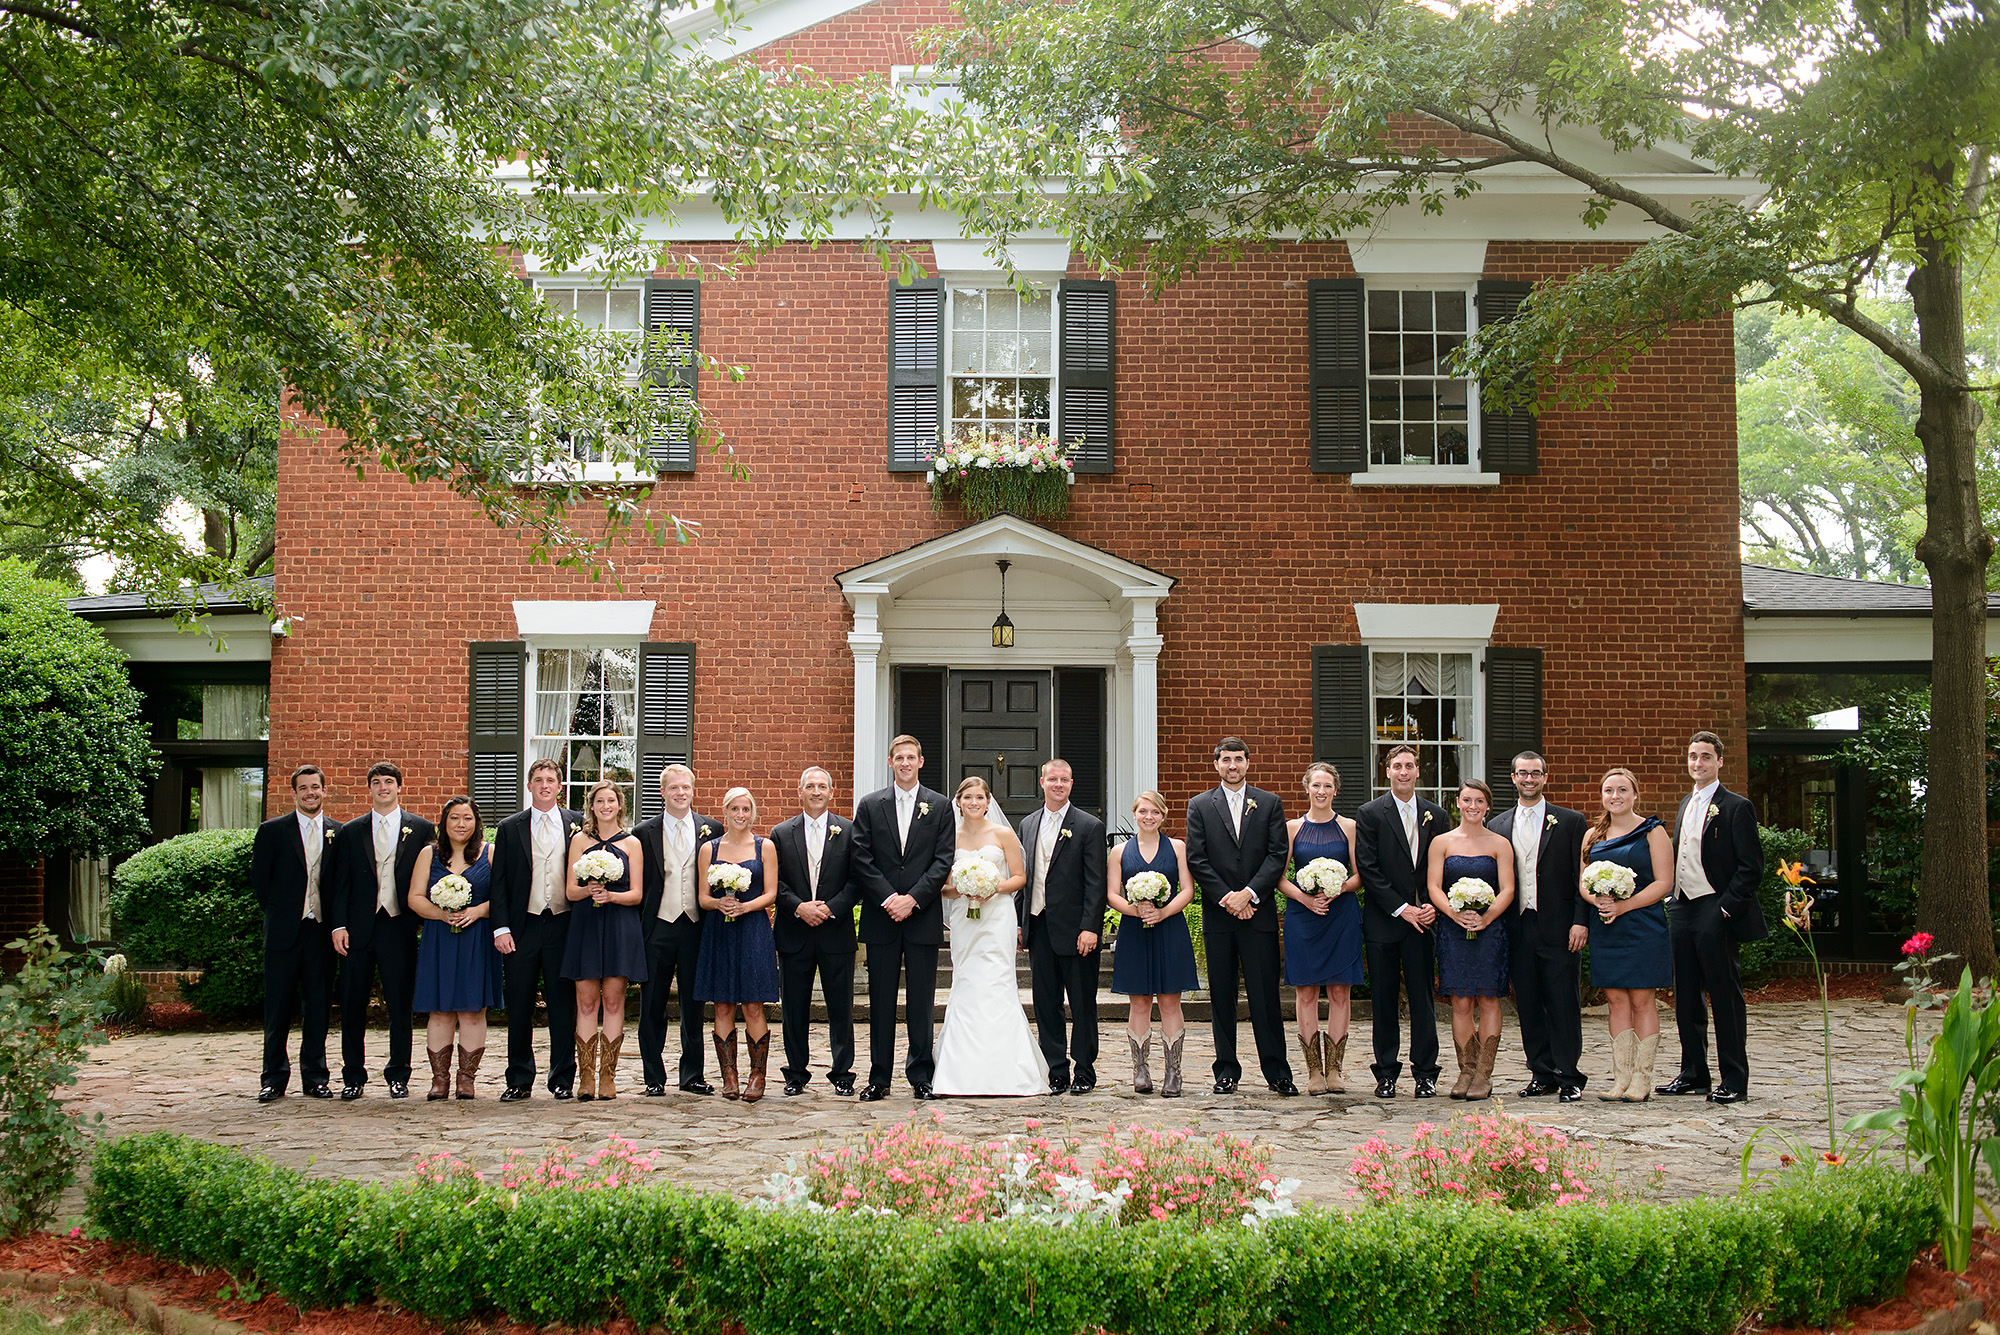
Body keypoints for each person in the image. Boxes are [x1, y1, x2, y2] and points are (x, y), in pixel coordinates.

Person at [1658, 731, 1767, 1104]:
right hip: (1682, 907)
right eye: (1692, 756)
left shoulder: (1736, 806)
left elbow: (1751, 868)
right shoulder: (1686, 803)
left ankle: (1734, 1079)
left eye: (1705, 756)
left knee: (1724, 997)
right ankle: (1694, 1074)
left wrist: (1724, 907)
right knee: (1686, 996)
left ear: (1720, 761)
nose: (1698, 763)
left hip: (1714, 908)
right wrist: (1673, 899)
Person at [1186, 736, 1298, 1097]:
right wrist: (1227, 898)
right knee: (1222, 995)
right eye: (1226, 759)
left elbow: (1277, 854)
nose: (1232, 765)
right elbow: (1197, 858)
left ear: (1248, 763)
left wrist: (1249, 894)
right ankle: (1226, 1071)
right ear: (1216, 764)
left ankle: (1277, 1072)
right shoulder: (1200, 805)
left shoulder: (1268, 803)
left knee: (1266, 996)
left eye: (1239, 759)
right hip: (1220, 918)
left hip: (1257, 915)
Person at [850, 735, 955, 1101]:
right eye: (900, 758)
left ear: (921, 762)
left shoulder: (940, 807)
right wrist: (889, 898)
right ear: (890, 762)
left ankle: (921, 1075)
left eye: (912, 757)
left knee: (921, 1001)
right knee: (880, 1001)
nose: (906, 763)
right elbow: (861, 857)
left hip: (922, 916)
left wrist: (913, 899)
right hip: (882, 918)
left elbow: (944, 860)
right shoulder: (869, 804)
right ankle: (879, 1077)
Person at [933, 776, 1045, 1096]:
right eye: (967, 797)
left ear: (988, 801)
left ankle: (1009, 1069)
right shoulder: (948, 837)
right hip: (964, 918)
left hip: (997, 918)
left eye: (979, 797)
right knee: (967, 981)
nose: (973, 803)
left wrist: (990, 887)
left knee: (997, 981)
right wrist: (965, 889)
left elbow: (1020, 878)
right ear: (958, 801)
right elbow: (940, 886)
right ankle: (960, 1070)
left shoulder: (1003, 833)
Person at [1488, 751, 1591, 1101]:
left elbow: (1582, 876)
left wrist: (1580, 920)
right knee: (1528, 1003)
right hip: (1517, 927)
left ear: (1545, 777)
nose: (1529, 779)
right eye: (1522, 774)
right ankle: (1541, 1073)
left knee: (1563, 1002)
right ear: (1513, 778)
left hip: (1560, 926)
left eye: (1535, 773)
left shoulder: (1571, 821)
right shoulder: (1498, 826)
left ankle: (1570, 1075)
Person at [329, 762, 434, 1100]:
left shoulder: (421, 829)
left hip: (399, 925)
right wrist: (339, 925)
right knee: (352, 1002)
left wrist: (423, 919)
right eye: (376, 782)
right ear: (369, 789)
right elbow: (339, 883)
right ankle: (353, 1076)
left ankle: (398, 1074)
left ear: (399, 787)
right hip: (358, 928)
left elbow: (432, 878)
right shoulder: (351, 831)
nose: (383, 787)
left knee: (400, 1003)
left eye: (389, 782)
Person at [1355, 745, 1446, 1099]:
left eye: (1409, 765)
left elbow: (1443, 865)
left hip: (1424, 920)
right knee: (1384, 1000)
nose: (1404, 771)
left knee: (1423, 1000)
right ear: (1387, 771)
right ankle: (1386, 1073)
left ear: (1417, 771)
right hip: (1384, 922)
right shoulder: (1371, 813)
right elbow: (1369, 868)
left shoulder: (1436, 815)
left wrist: (1429, 905)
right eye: (1397, 766)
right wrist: (1401, 907)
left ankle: (1426, 1073)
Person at [488, 759, 583, 1101]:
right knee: (519, 1005)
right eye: (538, 780)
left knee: (563, 1006)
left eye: (551, 780)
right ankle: (519, 1078)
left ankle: (561, 1079)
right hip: (522, 925)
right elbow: (498, 884)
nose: (545, 785)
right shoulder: (510, 827)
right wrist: (500, 928)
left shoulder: (577, 824)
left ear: (560, 787)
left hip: (563, 924)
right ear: (529, 786)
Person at [251, 765, 343, 1102]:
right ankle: (273, 1078)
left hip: (320, 933)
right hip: (284, 933)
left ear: (324, 791)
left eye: (315, 787)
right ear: (294, 794)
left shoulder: (338, 832)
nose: (310, 793)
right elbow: (261, 881)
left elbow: (340, 884)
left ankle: (315, 1076)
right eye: (303, 788)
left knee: (318, 1007)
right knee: (277, 1008)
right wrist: (284, 912)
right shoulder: (272, 831)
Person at [1017, 759, 1108, 1094]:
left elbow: (1096, 883)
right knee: (1045, 1003)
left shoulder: (1088, 826)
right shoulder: (1027, 825)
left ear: (1072, 784)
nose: (1058, 784)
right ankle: (1056, 1070)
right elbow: (1024, 879)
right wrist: (1019, 922)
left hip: (1076, 931)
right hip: (1039, 927)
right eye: (1052, 779)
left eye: (1064, 780)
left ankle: (1084, 1070)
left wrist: (1090, 927)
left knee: (1083, 1003)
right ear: (1041, 782)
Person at [1583, 767, 1674, 1101]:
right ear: (1602, 796)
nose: (1615, 797)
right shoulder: (1592, 835)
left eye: (1622, 790)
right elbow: (1582, 881)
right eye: (1609, 791)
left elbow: (1664, 882)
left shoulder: (1653, 832)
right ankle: (1621, 1078)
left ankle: (1642, 1079)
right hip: (1606, 925)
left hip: (1642, 924)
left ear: (1635, 794)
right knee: (1615, 998)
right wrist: (1599, 901)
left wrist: (1625, 905)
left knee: (1641, 998)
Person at [771, 767, 860, 1097]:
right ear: (800, 791)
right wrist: (799, 906)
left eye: (822, 786)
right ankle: (795, 1073)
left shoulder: (849, 830)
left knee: (841, 1007)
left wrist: (831, 907)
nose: (816, 791)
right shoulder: (781, 833)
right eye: (810, 786)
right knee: (794, 1008)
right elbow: (774, 882)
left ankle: (842, 1073)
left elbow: (858, 880)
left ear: (831, 792)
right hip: (795, 931)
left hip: (835, 931)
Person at [1426, 779, 1516, 1100]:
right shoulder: (1442, 842)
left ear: (1487, 806)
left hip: (1490, 930)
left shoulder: (1499, 844)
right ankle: (1466, 1069)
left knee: (1489, 998)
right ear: (1458, 804)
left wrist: (1486, 916)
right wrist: (1454, 913)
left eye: (1479, 801)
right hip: (1453, 930)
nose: (1473, 806)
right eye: (1467, 800)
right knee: (1461, 1000)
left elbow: (1508, 888)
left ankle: (1483, 1074)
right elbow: (1434, 886)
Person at [1106, 790, 1200, 1097]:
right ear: (1134, 814)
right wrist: (1135, 910)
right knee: (1140, 1001)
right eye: (1143, 811)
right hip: (1135, 930)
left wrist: (1163, 912)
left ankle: (1174, 1072)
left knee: (1170, 1000)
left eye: (1155, 813)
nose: (1149, 817)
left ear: (1163, 815)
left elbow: (1187, 889)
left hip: (1170, 928)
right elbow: (1112, 893)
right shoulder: (1120, 852)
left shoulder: (1177, 848)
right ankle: (1141, 1069)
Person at [408, 796, 502, 1099]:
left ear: (477, 823)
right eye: (454, 818)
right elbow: (415, 897)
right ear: (444, 822)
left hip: (478, 938)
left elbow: (505, 896)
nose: (461, 824)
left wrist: (478, 911)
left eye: (467, 818)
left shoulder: (490, 853)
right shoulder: (429, 854)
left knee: (473, 1010)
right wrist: (441, 913)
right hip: (440, 939)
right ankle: (440, 1079)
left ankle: (466, 1078)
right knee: (440, 1010)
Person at [1277, 762, 1362, 1095]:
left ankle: (1335, 1069)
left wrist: (1338, 888)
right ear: (1306, 788)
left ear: (1335, 790)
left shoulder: (1350, 827)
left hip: (1341, 915)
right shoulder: (1292, 828)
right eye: (1316, 785)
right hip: (1304, 917)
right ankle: (1313, 1069)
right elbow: (1279, 876)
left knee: (1340, 990)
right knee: (1307, 991)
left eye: (1327, 786)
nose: (1321, 792)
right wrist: (1306, 898)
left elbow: (1360, 874)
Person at [560, 780, 647, 1101]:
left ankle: (607, 1076)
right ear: (592, 806)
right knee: (586, 1002)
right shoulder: (579, 840)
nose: (606, 806)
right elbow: (570, 891)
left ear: (619, 806)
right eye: (600, 801)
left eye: (611, 800)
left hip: (620, 925)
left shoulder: (632, 843)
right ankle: (585, 1076)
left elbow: (637, 894)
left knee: (613, 1001)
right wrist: (590, 891)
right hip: (586, 924)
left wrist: (611, 895)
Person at [692, 787, 782, 1101]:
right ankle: (729, 1075)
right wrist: (720, 905)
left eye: (746, 809)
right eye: (735, 809)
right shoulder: (709, 849)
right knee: (723, 1003)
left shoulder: (765, 847)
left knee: (753, 1004)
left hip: (753, 928)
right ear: (725, 811)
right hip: (720, 930)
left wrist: (747, 906)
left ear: (752, 812)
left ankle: (757, 1076)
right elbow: (703, 897)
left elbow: (771, 892)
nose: (740, 815)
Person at [633, 764, 718, 1096]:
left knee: (693, 1005)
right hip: (658, 926)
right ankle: (654, 1077)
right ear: (663, 792)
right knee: (651, 1004)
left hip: (695, 926)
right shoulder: (643, 832)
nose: (681, 793)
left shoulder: (711, 829)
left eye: (686, 788)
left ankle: (692, 1074)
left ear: (693, 791)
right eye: (674, 788)